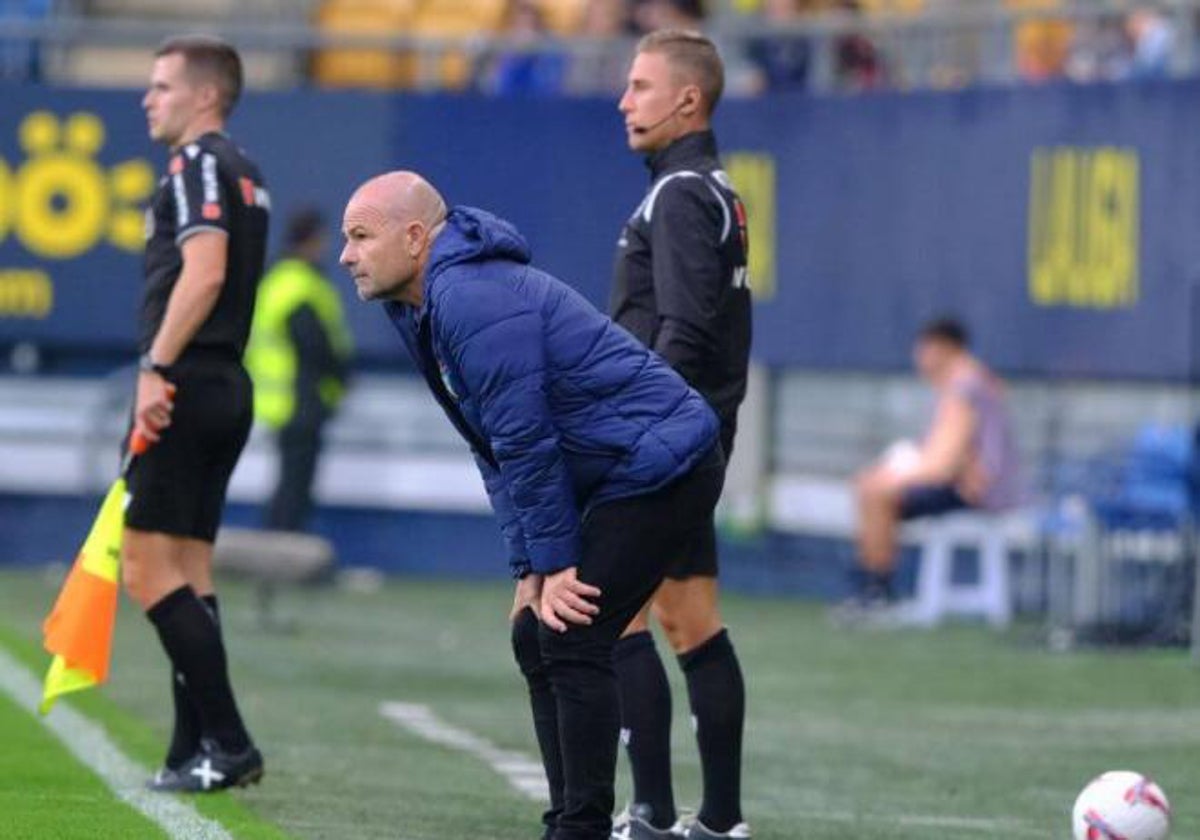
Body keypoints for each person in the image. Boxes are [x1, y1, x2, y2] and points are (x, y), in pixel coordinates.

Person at [340, 171, 724, 840]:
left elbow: (526, 439)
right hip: (618, 472)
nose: (346, 255)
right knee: (535, 631)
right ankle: (571, 819)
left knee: (572, 632)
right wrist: (530, 567)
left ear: (412, 237)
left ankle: (582, 828)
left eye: (360, 237)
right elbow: (489, 444)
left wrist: (557, 562)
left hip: (667, 464)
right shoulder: (420, 303)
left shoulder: (468, 297)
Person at [610, 29, 752, 840]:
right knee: (690, 617)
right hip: (697, 434)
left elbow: (686, 328)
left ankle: (653, 813)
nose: (624, 101)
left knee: (612, 614)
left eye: (639, 86)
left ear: (687, 100)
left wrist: (637, 422)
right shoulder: (710, 189)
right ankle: (721, 820)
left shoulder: (679, 194)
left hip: (665, 439)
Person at [124, 34, 270, 792]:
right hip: (226, 385)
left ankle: (230, 741)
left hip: (186, 382)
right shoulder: (246, 171)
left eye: (161, 86)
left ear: (205, 95)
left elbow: (204, 270)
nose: (148, 99)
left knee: (147, 569)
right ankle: (192, 752)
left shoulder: (196, 163)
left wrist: (156, 366)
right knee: (189, 569)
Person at [849, 318, 1021, 608]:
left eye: (924, 349)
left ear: (944, 348)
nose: (919, 357)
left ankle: (877, 587)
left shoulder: (964, 388)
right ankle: (873, 581)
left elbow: (942, 464)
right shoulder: (974, 381)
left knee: (875, 491)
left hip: (977, 493)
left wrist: (895, 477)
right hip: (975, 486)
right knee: (873, 484)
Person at [246, 207, 352, 533]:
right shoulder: (300, 285)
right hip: (300, 397)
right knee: (295, 483)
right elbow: (313, 343)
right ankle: (282, 550)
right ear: (312, 240)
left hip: (279, 399)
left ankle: (277, 549)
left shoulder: (275, 281)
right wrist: (341, 376)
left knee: (289, 479)